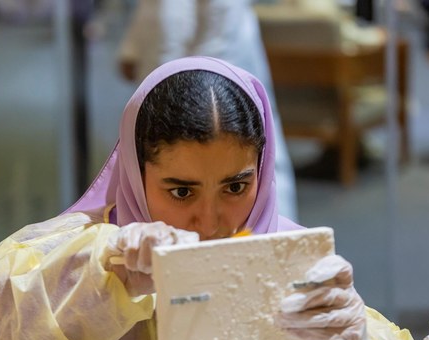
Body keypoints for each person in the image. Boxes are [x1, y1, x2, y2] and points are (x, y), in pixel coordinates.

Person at [0, 57, 427, 340]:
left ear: (262, 172)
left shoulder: (290, 258)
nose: (212, 223)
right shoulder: (86, 253)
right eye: (181, 192)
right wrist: (100, 280)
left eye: (236, 186)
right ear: (136, 177)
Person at [117, 0, 299, 221]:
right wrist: (134, 50)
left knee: (245, 163)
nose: (209, 225)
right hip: (201, 69)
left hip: (206, 77)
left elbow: (175, 16)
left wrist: (165, 82)